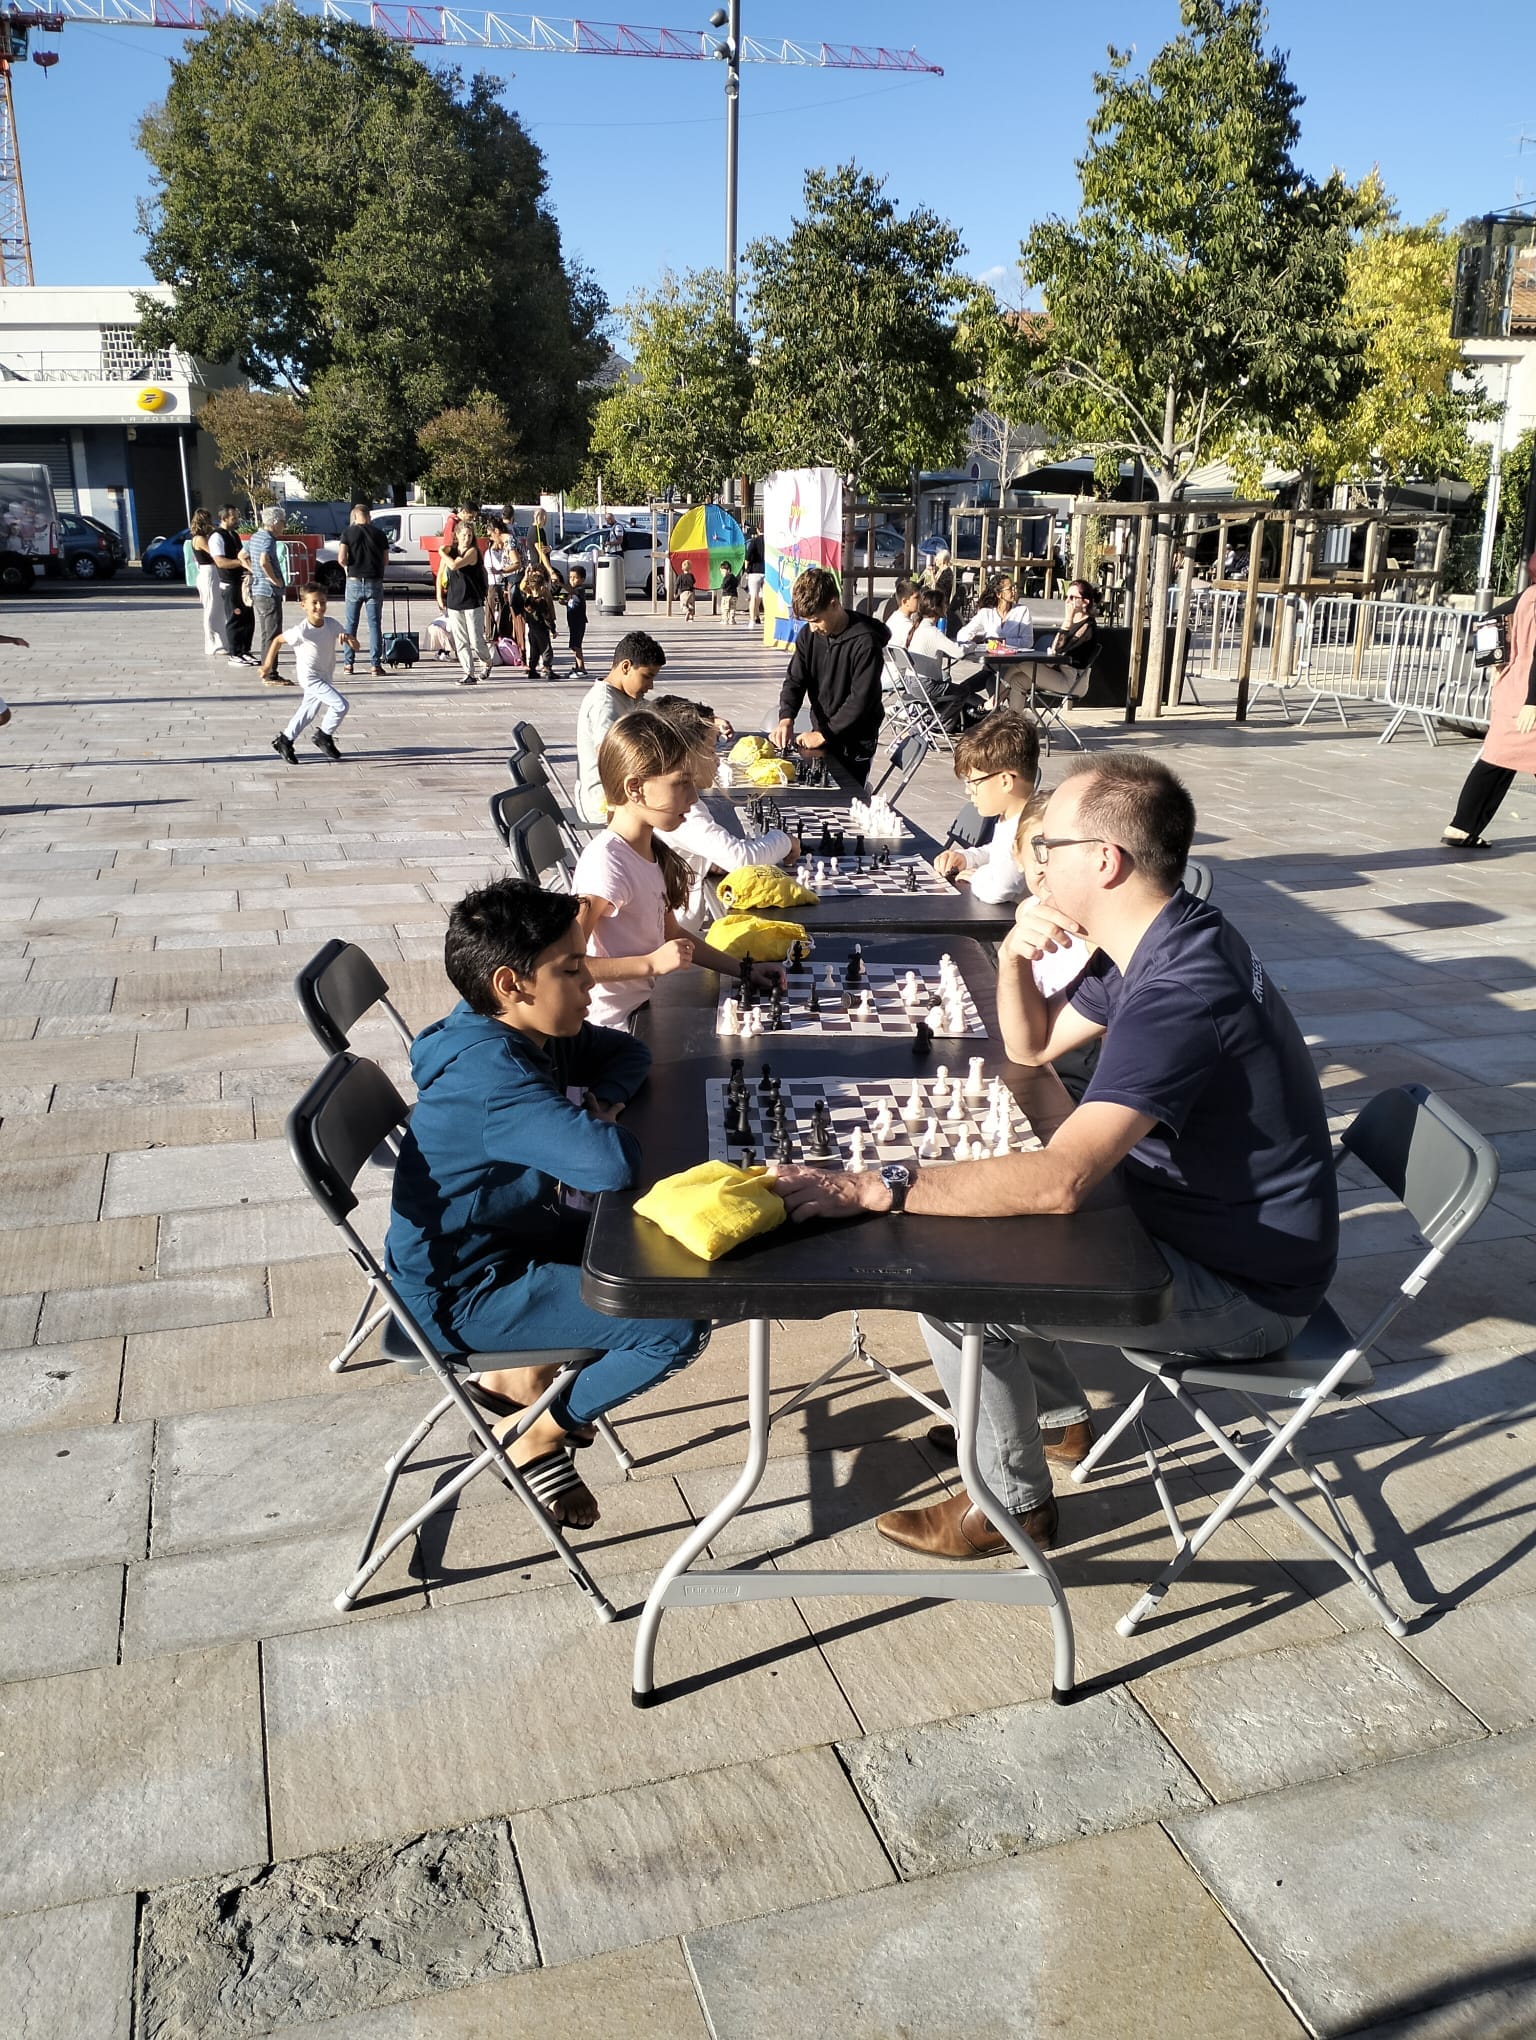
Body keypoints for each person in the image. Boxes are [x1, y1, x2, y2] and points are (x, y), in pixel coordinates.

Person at [775, 752, 1339, 1558]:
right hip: (1177, 1225)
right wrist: (1011, 955)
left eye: (1051, 847)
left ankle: (1010, 1505)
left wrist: (875, 1185)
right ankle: (1056, 1422)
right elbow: (1030, 1044)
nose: (1035, 859)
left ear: (1103, 861)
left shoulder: (1182, 990)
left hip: (1246, 1290)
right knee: (974, 1219)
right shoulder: (1160, 935)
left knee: (954, 1285)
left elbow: (1063, 1181)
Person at [385, 877, 711, 1528]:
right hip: (465, 1290)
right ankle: (542, 1430)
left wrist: (606, 1103)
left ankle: (521, 1378)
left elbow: (628, 1051)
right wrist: (599, 1127)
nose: (591, 984)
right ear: (512, 984)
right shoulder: (494, 1078)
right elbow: (611, 1163)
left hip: (512, 1233)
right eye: (572, 970)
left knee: (662, 1249)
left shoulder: (524, 1028)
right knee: (674, 1321)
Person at [573, 710, 784, 1030]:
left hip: (642, 1017)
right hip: (607, 1035)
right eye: (681, 784)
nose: (693, 796)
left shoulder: (651, 851)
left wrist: (744, 970)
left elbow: (671, 933)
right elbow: (568, 964)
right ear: (635, 788)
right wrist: (650, 964)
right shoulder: (606, 863)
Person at [651, 696, 799, 932]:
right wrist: (785, 840)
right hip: (673, 938)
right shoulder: (682, 809)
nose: (718, 760)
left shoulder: (667, 795)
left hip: (671, 930)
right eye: (711, 749)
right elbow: (742, 858)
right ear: (687, 752)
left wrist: (707, 860)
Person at [1443, 559, 1536, 848]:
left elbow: (1490, 617)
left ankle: (1462, 826)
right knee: (1501, 760)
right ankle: (1462, 826)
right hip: (1529, 692)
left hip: (1511, 685)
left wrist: (1494, 663)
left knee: (1498, 759)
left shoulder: (1529, 595)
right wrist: (1533, 702)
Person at [773, 566, 888, 788]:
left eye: (816, 620)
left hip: (855, 740)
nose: (813, 628)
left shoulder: (866, 641)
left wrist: (824, 733)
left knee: (845, 798)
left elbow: (860, 700)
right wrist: (786, 717)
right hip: (823, 733)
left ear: (834, 604)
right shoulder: (809, 634)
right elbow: (795, 679)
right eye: (808, 622)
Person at [931, 710, 1039, 905]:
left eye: (973, 781)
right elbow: (998, 852)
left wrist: (977, 876)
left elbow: (1000, 889)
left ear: (1005, 781)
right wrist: (967, 858)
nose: (968, 790)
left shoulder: (1029, 827)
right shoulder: (1011, 816)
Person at [576, 630, 667, 823]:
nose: (650, 685)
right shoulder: (604, 704)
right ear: (626, 667)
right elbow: (610, 757)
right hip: (604, 803)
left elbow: (662, 711)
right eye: (647, 676)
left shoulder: (626, 696)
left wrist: (706, 718)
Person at [265, 582, 358, 764]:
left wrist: (348, 639)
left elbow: (356, 645)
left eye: (322, 602)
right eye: (314, 603)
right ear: (303, 605)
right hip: (310, 678)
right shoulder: (301, 631)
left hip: (325, 675)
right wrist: (267, 665)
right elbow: (277, 640)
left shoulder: (332, 624)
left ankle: (284, 740)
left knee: (308, 711)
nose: (319, 607)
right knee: (340, 705)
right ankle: (323, 736)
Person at [336, 502, 389, 678]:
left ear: (355, 516)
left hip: (354, 581)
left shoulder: (347, 533)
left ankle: (348, 664)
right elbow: (386, 560)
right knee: (375, 625)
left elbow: (341, 558)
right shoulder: (380, 534)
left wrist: (348, 567)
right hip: (374, 582)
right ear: (369, 517)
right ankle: (375, 665)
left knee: (351, 623)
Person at [442, 503, 491, 687]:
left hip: (472, 601)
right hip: (455, 601)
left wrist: (441, 552)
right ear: (457, 536)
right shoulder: (452, 551)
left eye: (470, 535)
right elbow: (443, 572)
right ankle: (468, 672)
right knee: (461, 640)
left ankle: (486, 660)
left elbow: (454, 565)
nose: (467, 538)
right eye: (464, 535)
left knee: (476, 640)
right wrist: (440, 595)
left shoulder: (472, 552)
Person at [189, 508, 237, 665]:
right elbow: (214, 553)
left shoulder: (203, 537)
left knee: (217, 608)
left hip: (212, 572)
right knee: (212, 609)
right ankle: (213, 644)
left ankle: (220, 642)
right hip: (208, 572)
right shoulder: (200, 539)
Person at [246, 505, 289, 669]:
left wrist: (255, 571)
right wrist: (274, 579)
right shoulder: (268, 539)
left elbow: (242, 556)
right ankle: (270, 671)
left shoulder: (255, 536)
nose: (284, 526)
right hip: (268, 592)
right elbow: (264, 560)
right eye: (283, 523)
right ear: (276, 522)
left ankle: (266, 668)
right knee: (273, 633)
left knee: (266, 633)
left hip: (258, 590)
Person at [210, 506, 254, 663]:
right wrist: (240, 562)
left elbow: (242, 554)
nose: (237, 521)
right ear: (224, 519)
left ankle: (245, 650)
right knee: (235, 618)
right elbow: (220, 562)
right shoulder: (216, 537)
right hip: (229, 583)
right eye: (233, 518)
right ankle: (235, 653)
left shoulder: (234, 535)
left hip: (242, 582)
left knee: (248, 618)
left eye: (237, 517)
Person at [957, 574, 1034, 652]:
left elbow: (1028, 642)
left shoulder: (1022, 611)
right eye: (1010, 589)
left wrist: (1001, 641)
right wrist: (973, 643)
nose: (1015, 591)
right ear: (999, 594)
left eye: (1014, 588)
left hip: (1016, 660)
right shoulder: (986, 613)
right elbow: (962, 634)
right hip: (991, 659)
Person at [521, 566, 558, 680]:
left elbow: (522, 586)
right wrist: (552, 628)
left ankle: (532, 669)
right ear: (542, 586)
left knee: (534, 650)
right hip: (542, 629)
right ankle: (547, 669)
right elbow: (547, 617)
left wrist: (526, 576)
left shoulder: (528, 599)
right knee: (546, 649)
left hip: (532, 629)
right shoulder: (541, 601)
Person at [565, 566, 590, 675]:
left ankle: (581, 667)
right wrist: (565, 603)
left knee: (577, 645)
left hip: (578, 622)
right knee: (574, 644)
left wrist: (560, 584)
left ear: (582, 579)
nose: (572, 580)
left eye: (575, 578)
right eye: (570, 577)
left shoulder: (580, 590)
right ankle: (577, 666)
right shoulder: (573, 592)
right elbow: (571, 603)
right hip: (572, 622)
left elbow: (572, 592)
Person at [744, 525, 766, 623]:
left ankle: (752, 619)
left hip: (754, 572)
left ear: (757, 529)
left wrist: (746, 570)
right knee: (763, 596)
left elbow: (747, 557)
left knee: (753, 596)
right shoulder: (769, 542)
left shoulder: (754, 541)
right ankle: (764, 616)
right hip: (767, 572)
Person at [718, 560, 741, 626]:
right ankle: (732, 619)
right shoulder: (733, 577)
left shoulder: (726, 577)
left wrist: (722, 586)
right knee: (732, 608)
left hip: (726, 595)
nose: (721, 573)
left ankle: (725, 620)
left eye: (722, 571)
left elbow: (724, 585)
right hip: (734, 595)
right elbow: (737, 583)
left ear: (728, 570)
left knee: (725, 608)